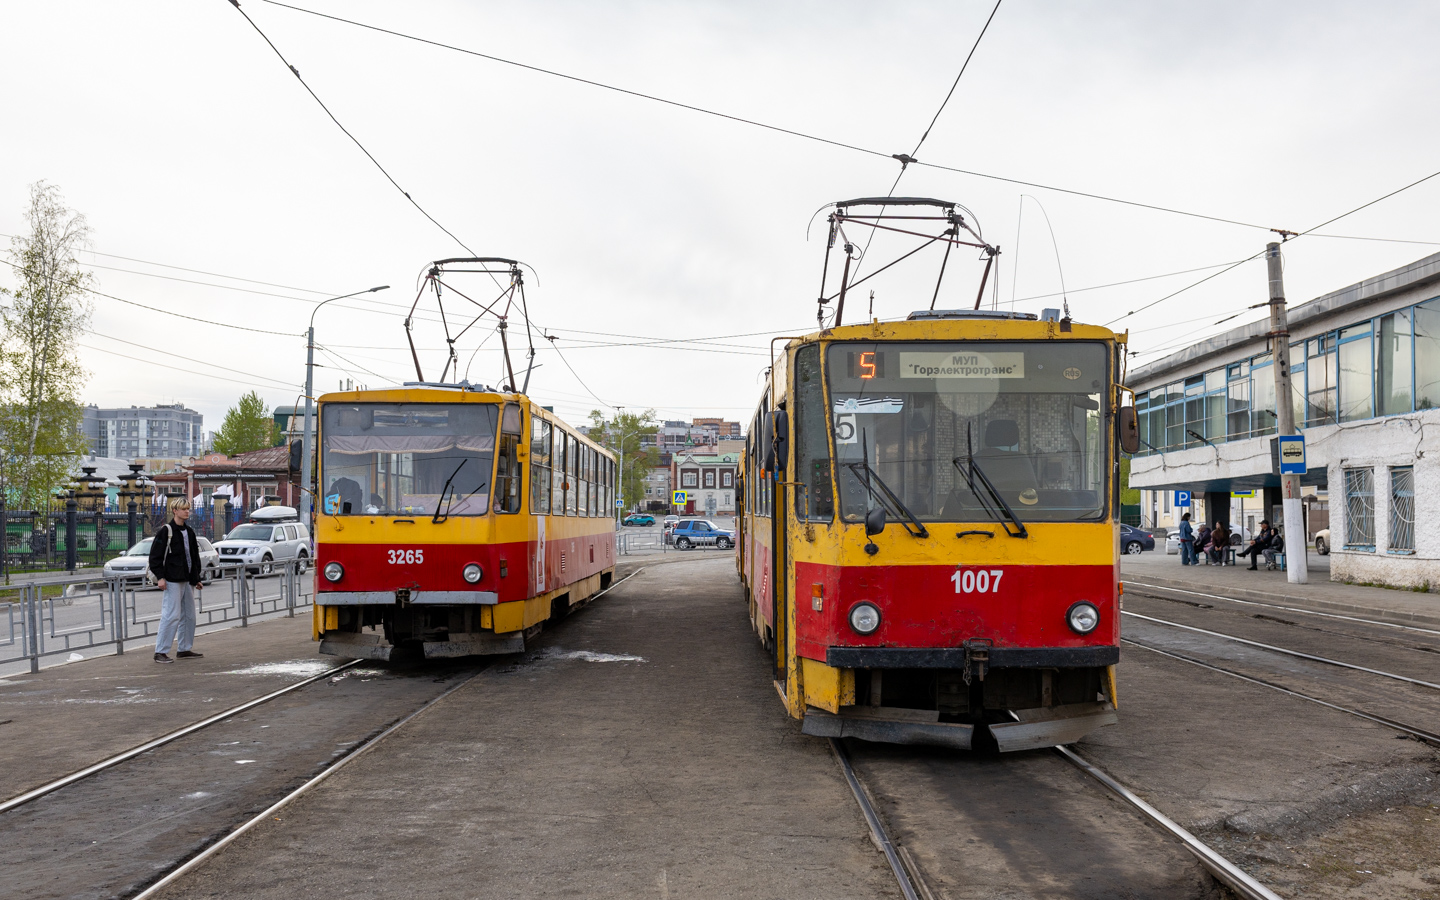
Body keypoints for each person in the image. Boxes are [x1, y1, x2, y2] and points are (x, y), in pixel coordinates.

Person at [149, 497, 205, 663]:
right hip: (172, 580)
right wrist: (160, 577)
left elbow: (194, 557)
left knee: (189, 616)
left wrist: (196, 578)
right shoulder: (166, 531)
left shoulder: (190, 532)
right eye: (183, 509)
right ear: (174, 511)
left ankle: (184, 648)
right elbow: (155, 557)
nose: (186, 511)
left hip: (188, 580)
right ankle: (160, 651)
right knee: (171, 615)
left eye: (188, 509)